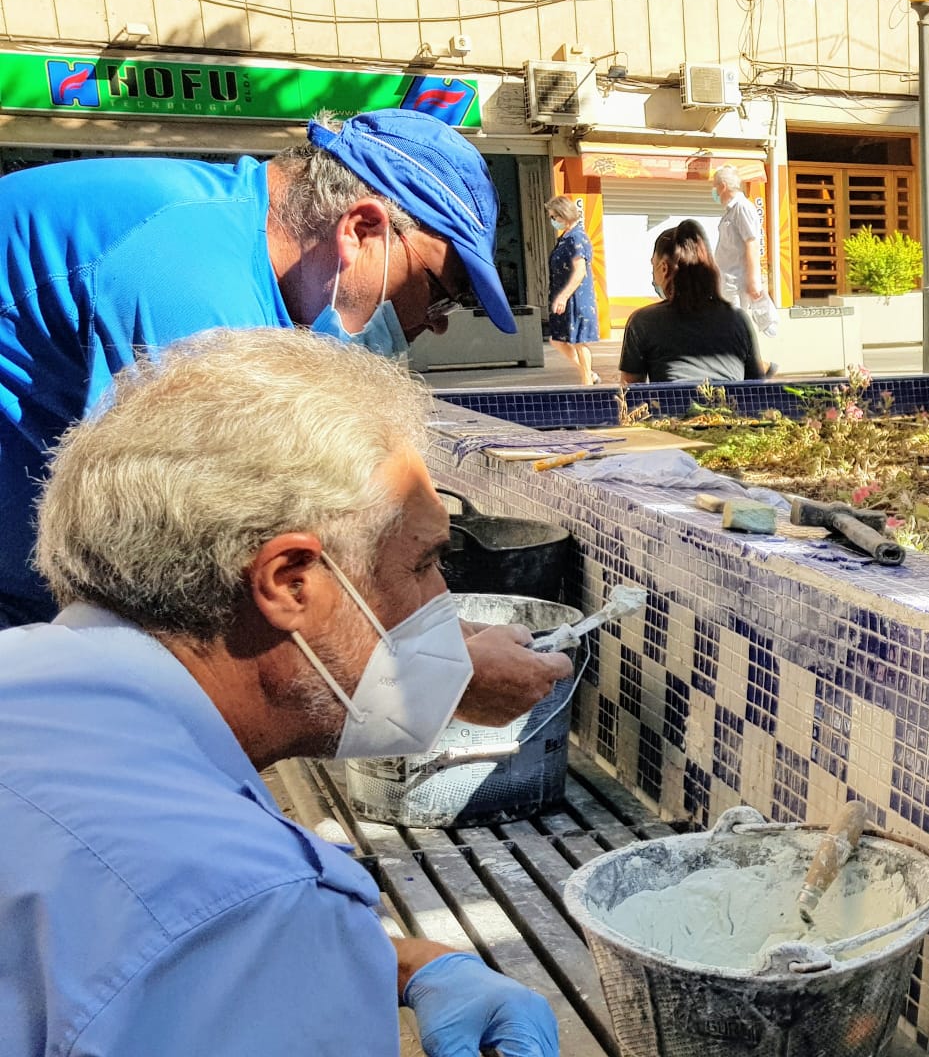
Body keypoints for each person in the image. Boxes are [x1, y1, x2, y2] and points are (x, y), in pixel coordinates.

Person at [0, 328, 736, 1057]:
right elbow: (194, 924)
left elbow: (95, 942)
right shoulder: (247, 920)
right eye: (428, 562)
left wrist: (415, 962)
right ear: (291, 581)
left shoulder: (26, 681)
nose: (446, 612)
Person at [0, 108, 567, 726]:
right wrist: (439, 675)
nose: (435, 324)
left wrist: (433, 628)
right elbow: (203, 565)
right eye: (444, 290)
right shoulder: (194, 281)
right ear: (362, 229)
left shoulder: (241, 251)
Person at [619, 222, 769, 384]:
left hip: (670, 409)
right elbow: (757, 388)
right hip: (729, 408)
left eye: (653, 266)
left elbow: (631, 393)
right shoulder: (738, 319)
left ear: (663, 268)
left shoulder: (642, 322)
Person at [546, 196, 601, 385]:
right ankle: (589, 374)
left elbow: (579, 272)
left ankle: (587, 381)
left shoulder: (577, 238)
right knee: (557, 340)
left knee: (579, 341)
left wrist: (563, 296)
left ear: (564, 215)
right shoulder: (566, 237)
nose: (553, 221)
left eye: (554, 217)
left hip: (576, 298)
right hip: (566, 297)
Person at [710, 165, 769, 319]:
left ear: (723, 186)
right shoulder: (731, 210)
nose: (714, 192)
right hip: (727, 282)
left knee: (735, 327)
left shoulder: (742, 208)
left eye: (715, 187)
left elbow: (752, 243)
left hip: (736, 283)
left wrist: (753, 280)